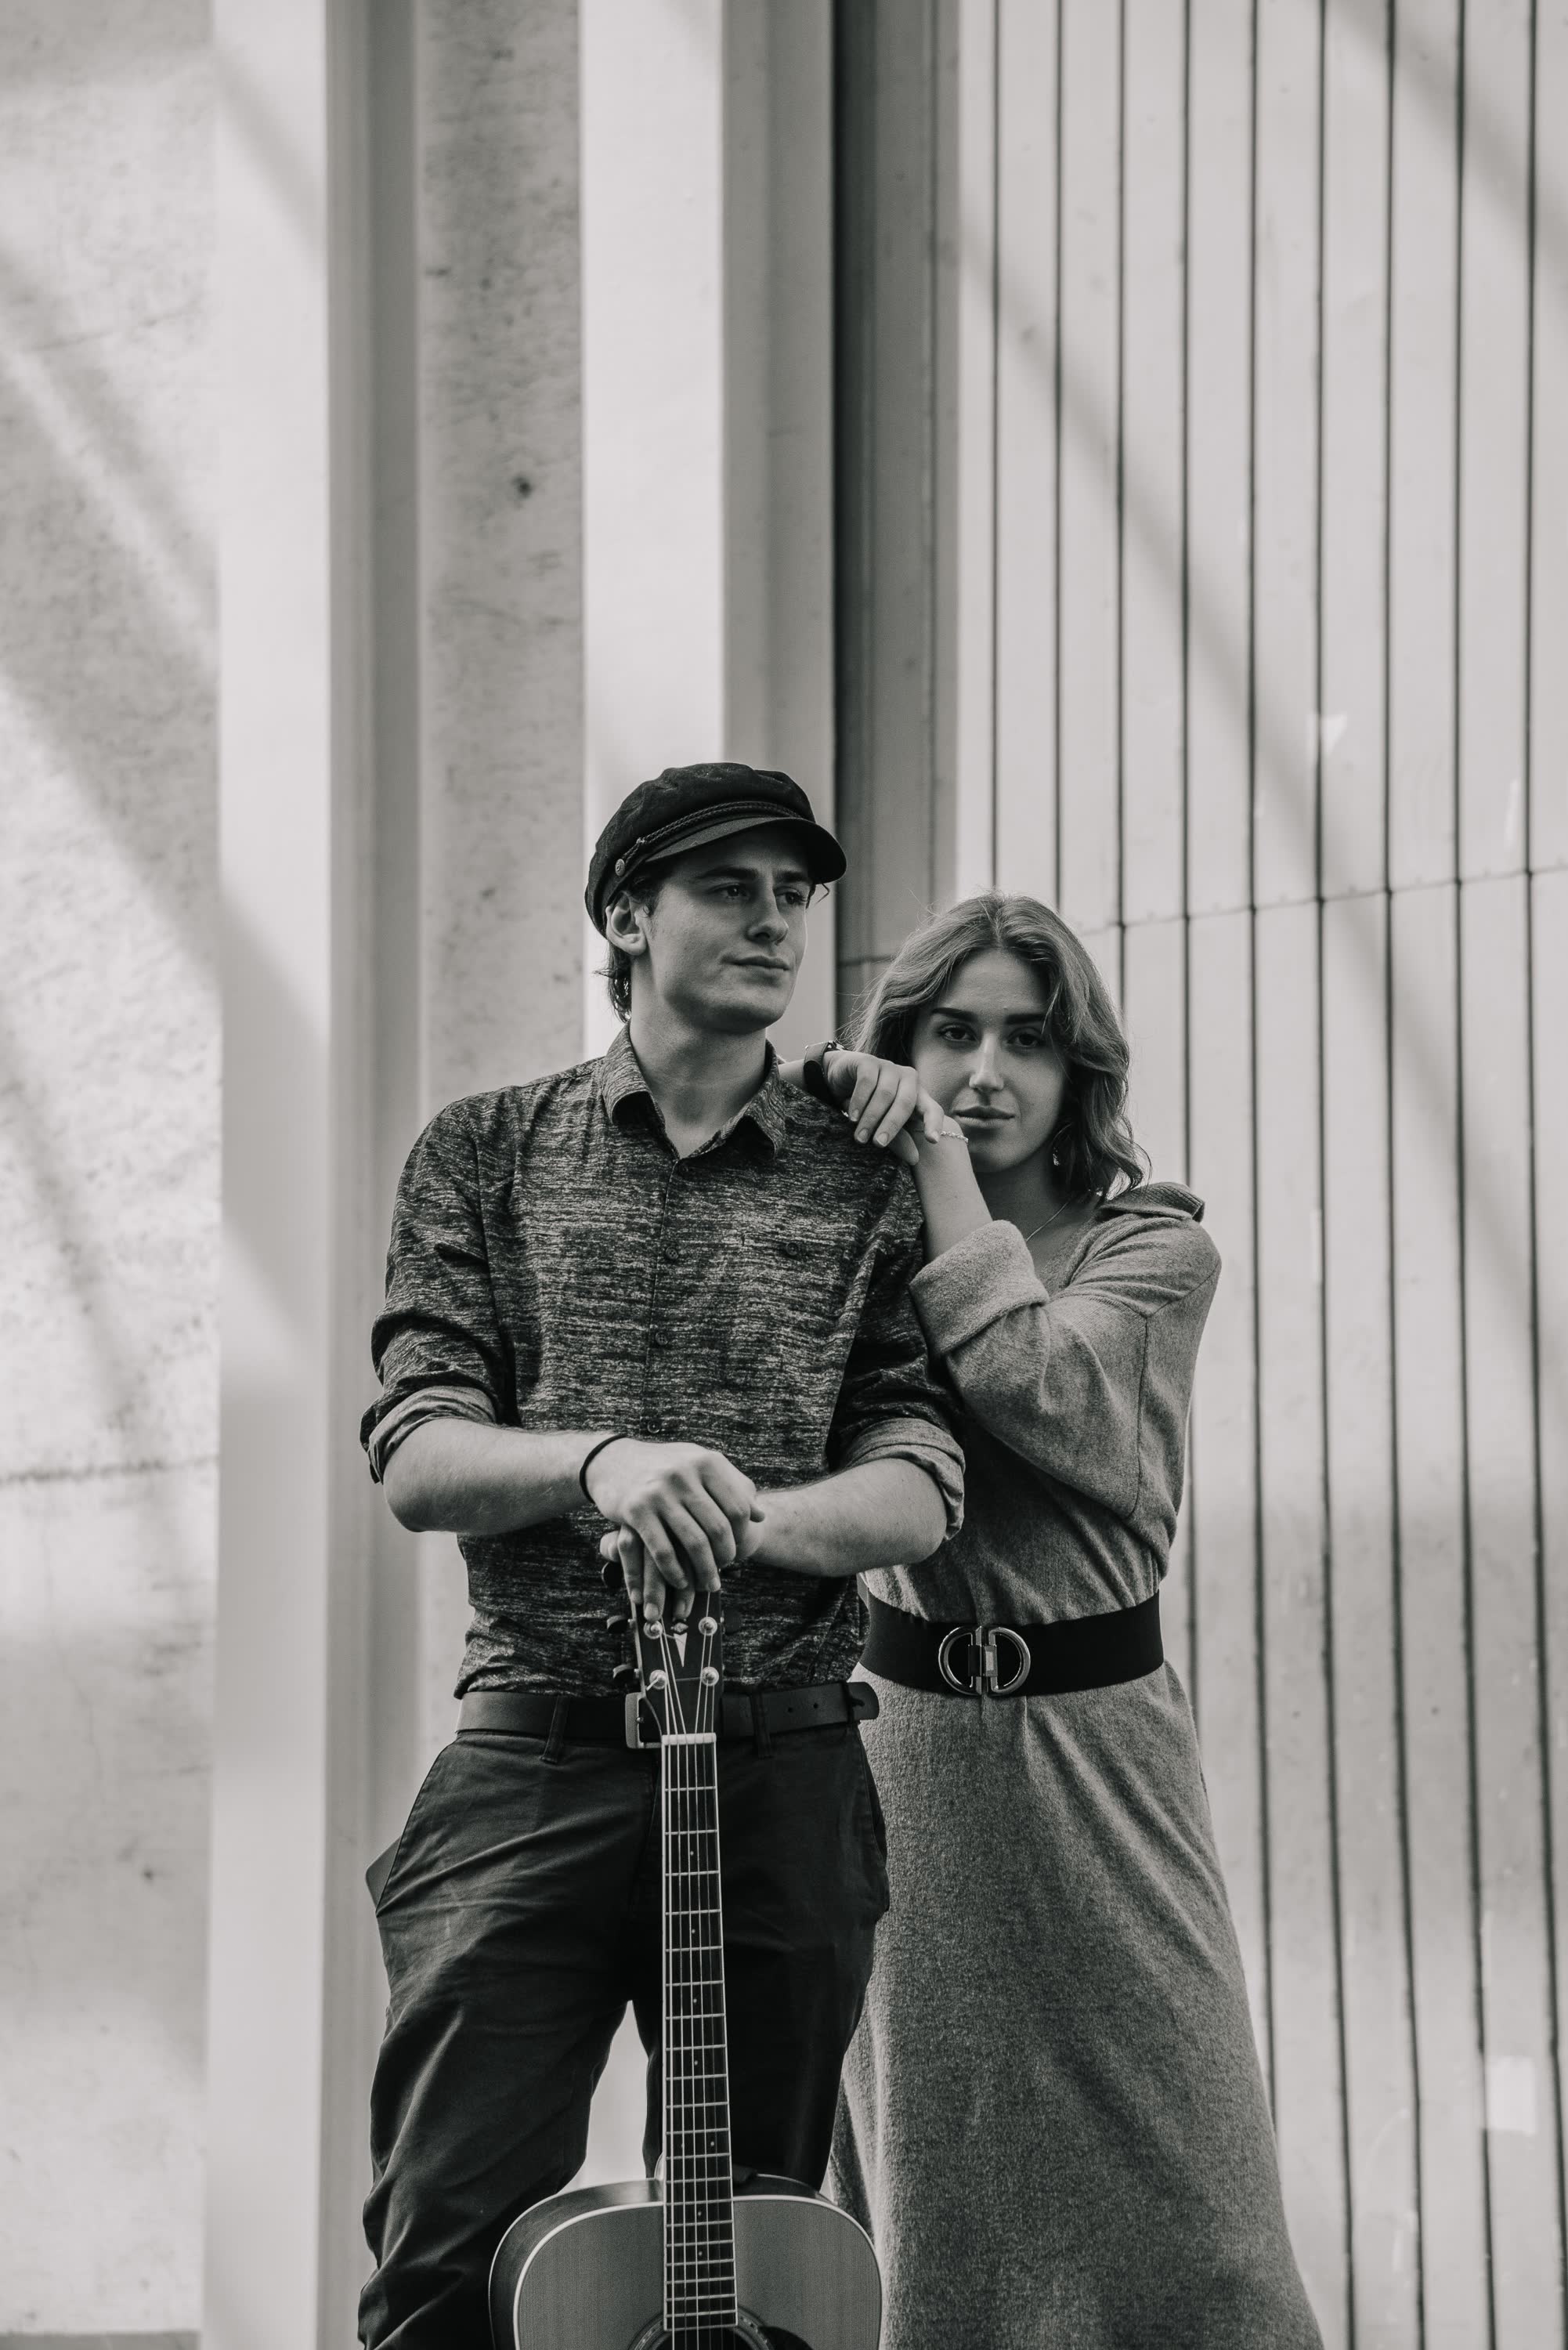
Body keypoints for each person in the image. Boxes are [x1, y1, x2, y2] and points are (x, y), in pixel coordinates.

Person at [356, 761, 965, 2349]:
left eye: (792, 895)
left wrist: (733, 1514)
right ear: (627, 916)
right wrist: (604, 1464)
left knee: (749, 2270)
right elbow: (417, 1454)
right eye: (727, 888)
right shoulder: (483, 1152)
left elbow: (919, 1483)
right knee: (443, 2264)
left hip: (779, 1773)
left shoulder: (863, 1170)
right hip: (532, 1765)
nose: (773, 921)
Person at [802, 893, 1324, 2350]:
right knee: (933, 2180)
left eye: (1026, 1040)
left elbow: (1052, 1394)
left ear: (1075, 1065)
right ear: (900, 1044)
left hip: (1103, 1761)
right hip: (902, 1760)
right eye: (950, 1033)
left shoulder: (1151, 1252)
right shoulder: (845, 1247)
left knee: (1195, 2194)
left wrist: (935, 1173)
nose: (984, 1073)